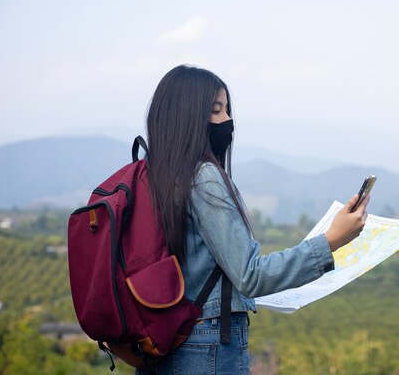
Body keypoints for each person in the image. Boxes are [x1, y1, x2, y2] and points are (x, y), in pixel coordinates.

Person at [138, 65, 370, 375]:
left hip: (161, 342)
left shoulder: (151, 175)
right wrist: (331, 241)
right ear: (187, 117)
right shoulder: (203, 177)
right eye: (215, 111)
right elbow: (250, 276)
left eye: (227, 110)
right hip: (205, 344)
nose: (227, 121)